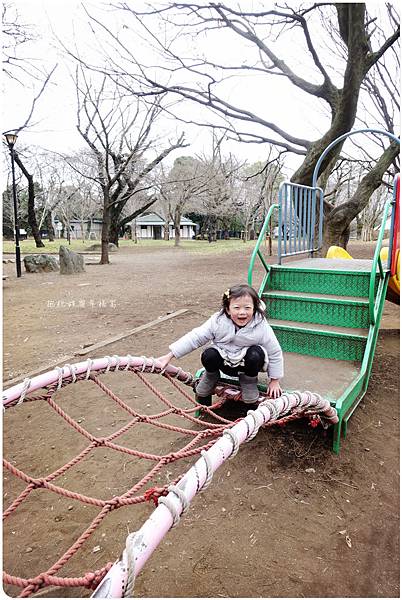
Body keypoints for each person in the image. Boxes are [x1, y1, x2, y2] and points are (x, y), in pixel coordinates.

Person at [157, 284, 283, 404]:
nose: (242, 312)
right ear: (228, 309)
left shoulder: (260, 325)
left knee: (256, 353)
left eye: (247, 308)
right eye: (237, 308)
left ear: (254, 309)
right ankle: (211, 375)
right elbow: (195, 337)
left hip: (248, 366)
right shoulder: (218, 321)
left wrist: (274, 380)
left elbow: (274, 351)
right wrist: (170, 355)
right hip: (225, 363)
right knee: (209, 354)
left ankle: (249, 382)